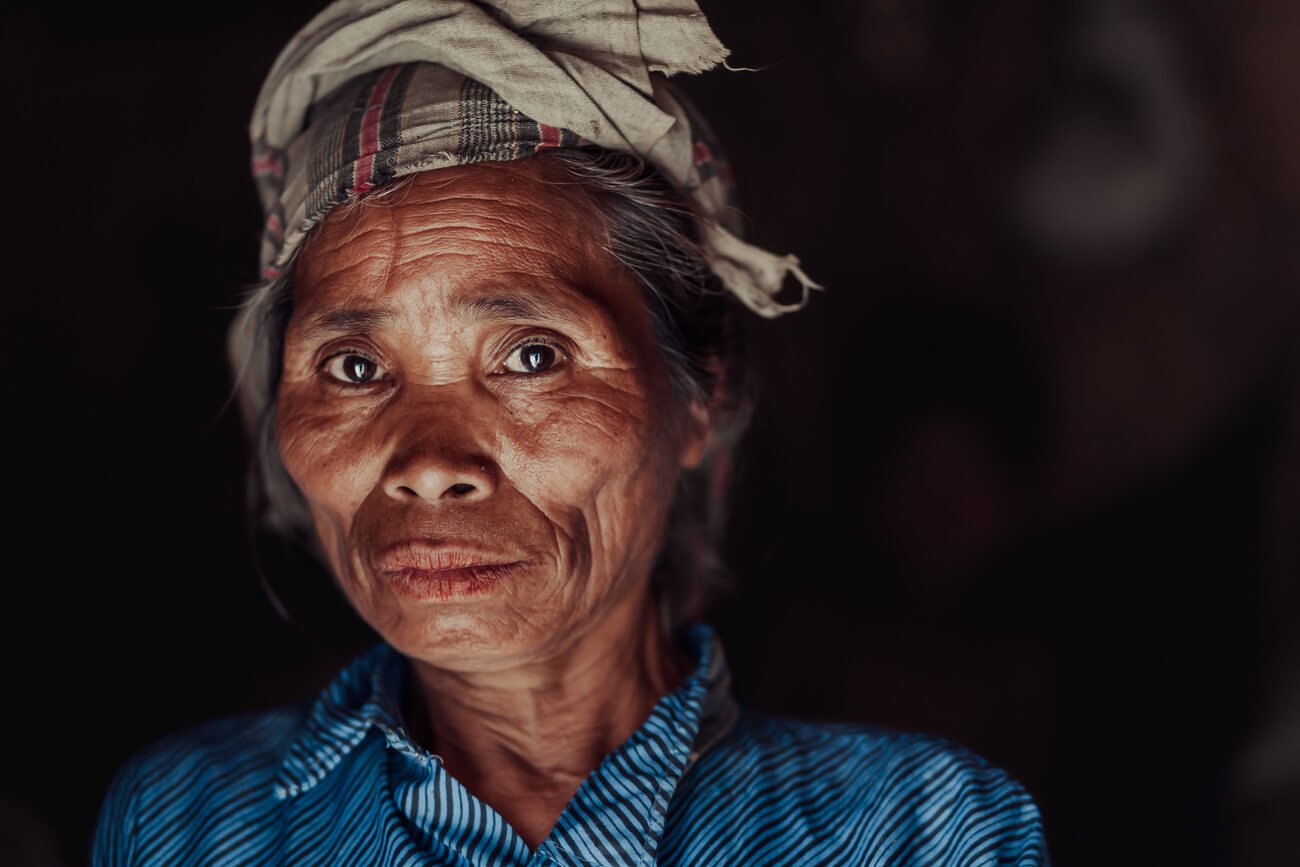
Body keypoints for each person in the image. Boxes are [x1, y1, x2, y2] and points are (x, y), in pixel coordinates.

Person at [91, 1, 1050, 863]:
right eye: (353, 368)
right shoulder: (188, 821)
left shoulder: (922, 829)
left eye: (532, 357)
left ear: (699, 396)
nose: (429, 465)